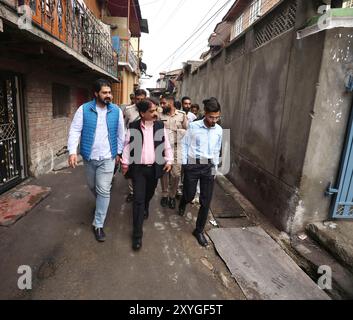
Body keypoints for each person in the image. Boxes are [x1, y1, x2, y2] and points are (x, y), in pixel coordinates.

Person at [68, 79, 125, 242]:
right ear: (96, 94)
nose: (109, 96)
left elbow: (122, 133)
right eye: (105, 93)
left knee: (103, 190)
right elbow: (75, 130)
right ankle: (102, 201)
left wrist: (119, 153)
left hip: (108, 157)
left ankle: (98, 224)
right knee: (93, 186)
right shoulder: (84, 109)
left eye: (110, 92)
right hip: (89, 157)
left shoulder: (116, 111)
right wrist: (72, 152)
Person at [121, 98, 173, 250]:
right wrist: (125, 164)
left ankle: (146, 205)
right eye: (152, 111)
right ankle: (137, 235)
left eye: (156, 110)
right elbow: (127, 146)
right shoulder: (133, 127)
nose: (155, 113)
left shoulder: (159, 126)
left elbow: (166, 144)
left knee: (148, 195)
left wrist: (169, 160)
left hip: (154, 168)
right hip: (138, 169)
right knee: (138, 200)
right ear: (142, 113)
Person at [178, 97, 223, 247]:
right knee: (190, 194)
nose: (214, 120)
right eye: (211, 117)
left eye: (217, 117)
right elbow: (184, 144)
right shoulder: (194, 126)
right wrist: (185, 163)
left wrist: (215, 167)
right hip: (193, 164)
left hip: (208, 166)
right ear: (205, 113)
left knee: (206, 200)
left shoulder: (219, 130)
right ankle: (183, 201)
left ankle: (199, 230)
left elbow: (217, 149)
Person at [159, 94, 188, 209]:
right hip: (163, 148)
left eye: (163, 103)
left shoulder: (182, 115)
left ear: (171, 103)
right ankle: (165, 195)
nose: (161, 105)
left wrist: (178, 132)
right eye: (161, 103)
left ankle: (172, 195)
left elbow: (187, 130)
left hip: (177, 148)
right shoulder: (159, 114)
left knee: (176, 174)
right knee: (164, 173)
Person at [123, 89, 147, 203]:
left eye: (142, 99)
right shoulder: (128, 110)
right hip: (133, 143)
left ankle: (143, 190)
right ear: (134, 99)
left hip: (147, 144)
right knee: (131, 169)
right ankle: (132, 192)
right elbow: (124, 126)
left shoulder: (150, 109)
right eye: (138, 99)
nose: (140, 101)